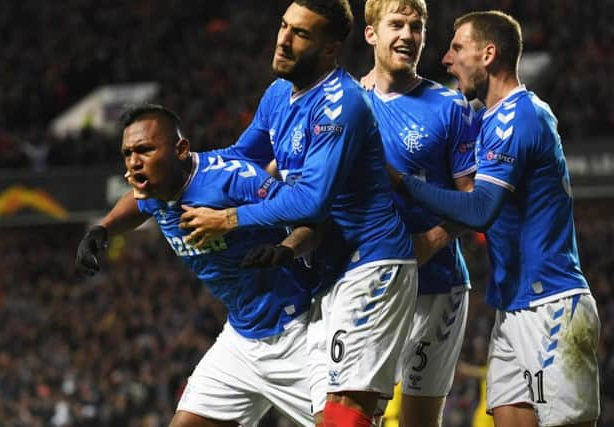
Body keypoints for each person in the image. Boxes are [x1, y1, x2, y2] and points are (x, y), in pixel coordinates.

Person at [178, 1, 418, 425]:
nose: (283, 40)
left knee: (347, 412)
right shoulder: (278, 95)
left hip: (372, 264)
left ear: (330, 50)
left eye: (301, 34)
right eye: (284, 26)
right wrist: (181, 168)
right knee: (336, 415)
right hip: (329, 273)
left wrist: (229, 219)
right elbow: (239, 157)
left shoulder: (341, 104)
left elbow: (311, 201)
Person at [398, 11, 600, 427]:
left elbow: (480, 209)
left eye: (457, 48)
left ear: (488, 54)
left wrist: (404, 183)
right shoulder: (492, 120)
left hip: (551, 306)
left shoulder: (518, 116)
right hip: (511, 307)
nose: (447, 60)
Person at [75, 104, 327, 427]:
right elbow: (139, 202)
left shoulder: (232, 179)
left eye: (145, 150)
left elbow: (312, 221)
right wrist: (104, 228)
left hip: (297, 331)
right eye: (127, 153)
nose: (134, 162)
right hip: (241, 338)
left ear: (181, 150)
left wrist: (285, 250)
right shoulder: (155, 185)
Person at [361, 1, 479, 426]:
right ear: (371, 33)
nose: (408, 35)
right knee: (352, 415)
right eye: (396, 24)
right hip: (366, 286)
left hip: (437, 287)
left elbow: (475, 201)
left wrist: (430, 241)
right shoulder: (346, 106)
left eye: (417, 26)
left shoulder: (451, 107)